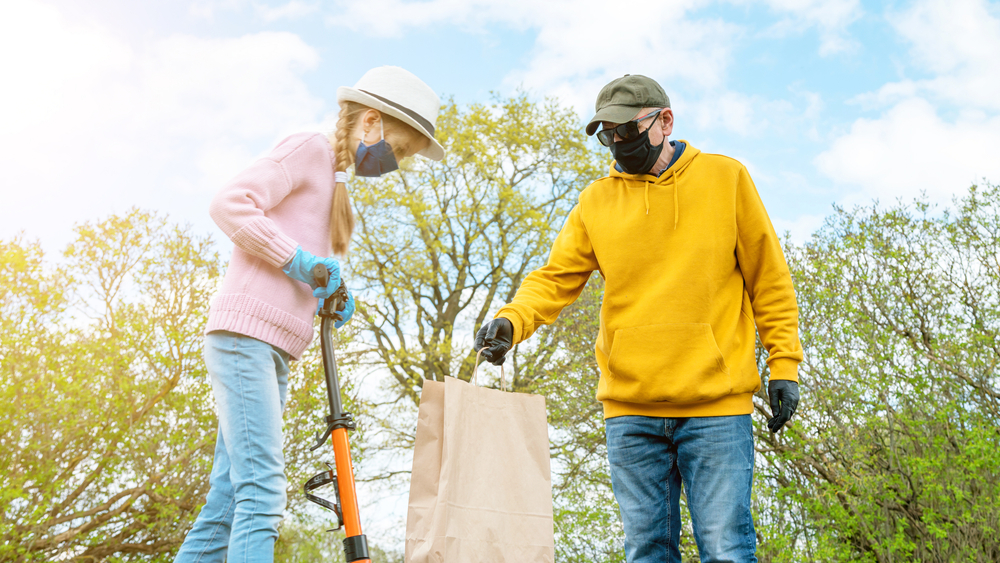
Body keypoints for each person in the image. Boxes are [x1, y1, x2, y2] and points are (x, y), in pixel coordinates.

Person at [473, 74, 802, 563]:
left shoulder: (725, 178)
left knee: (725, 549)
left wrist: (785, 367)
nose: (618, 143)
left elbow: (769, 280)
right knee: (646, 552)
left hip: (715, 407)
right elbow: (555, 278)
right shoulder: (596, 201)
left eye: (628, 130)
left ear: (664, 121)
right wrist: (511, 320)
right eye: (608, 135)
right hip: (630, 411)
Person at [174, 66, 445, 563]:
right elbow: (230, 203)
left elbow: (301, 267)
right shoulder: (308, 148)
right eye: (400, 150)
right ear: (370, 122)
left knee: (228, 499)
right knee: (262, 492)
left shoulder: (336, 181)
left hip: (272, 350)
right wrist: (297, 261)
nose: (397, 164)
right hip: (243, 337)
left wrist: (326, 294)